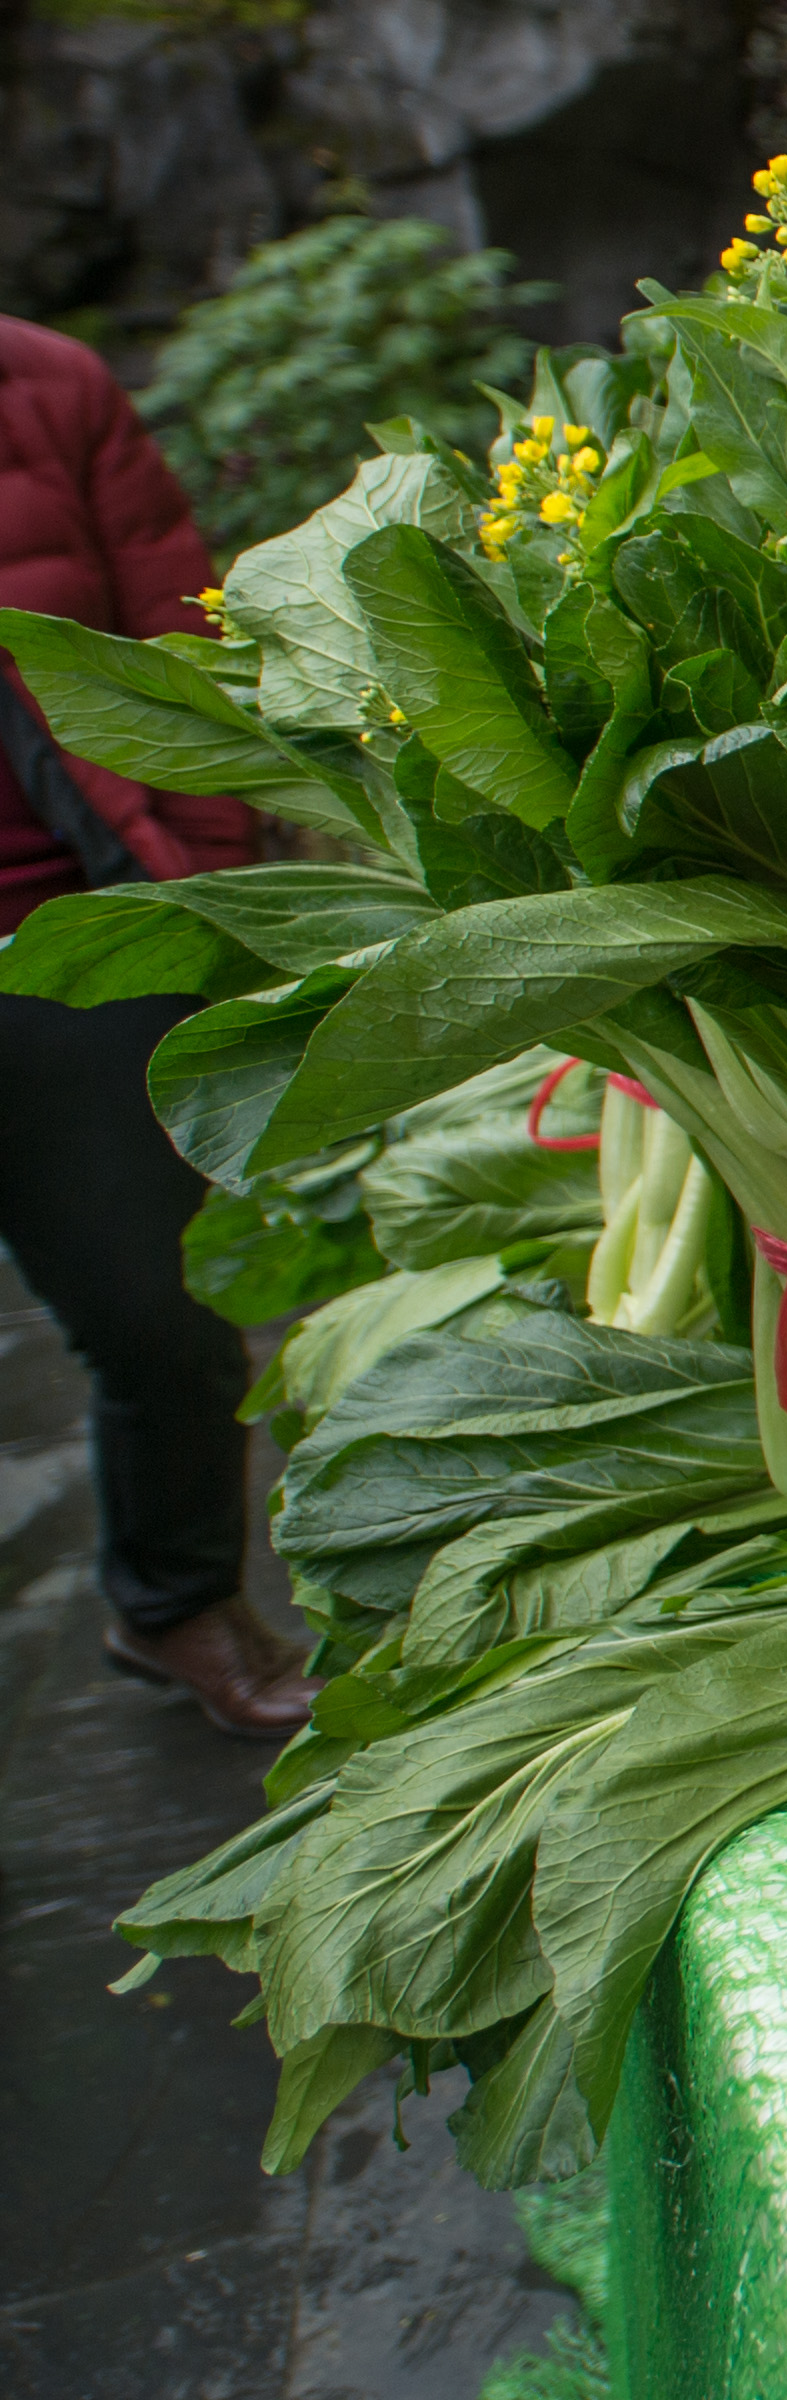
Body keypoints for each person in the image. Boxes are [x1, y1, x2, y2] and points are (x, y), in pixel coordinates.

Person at [0, 318, 306, 1738]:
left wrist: (204, 878)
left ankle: (176, 1603)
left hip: (69, 929)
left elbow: (167, 636)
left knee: (160, 1308)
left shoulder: (46, 384)